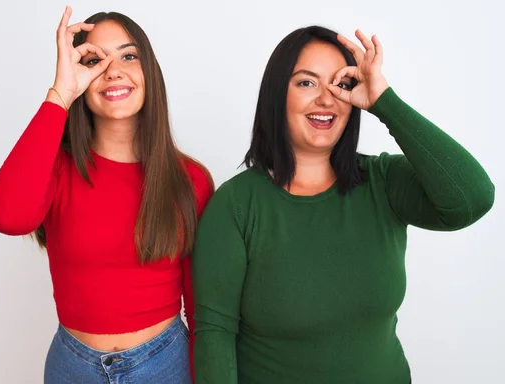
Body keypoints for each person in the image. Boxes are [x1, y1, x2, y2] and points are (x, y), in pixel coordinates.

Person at [191, 25, 494, 383]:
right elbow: (214, 336)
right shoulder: (236, 205)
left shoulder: (382, 182)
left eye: (341, 84)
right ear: (276, 95)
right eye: (306, 83)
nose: (326, 99)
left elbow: (472, 199)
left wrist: (385, 102)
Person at [0, 6, 213, 384]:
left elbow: (202, 306)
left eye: (128, 55)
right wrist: (60, 93)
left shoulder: (190, 180)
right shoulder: (56, 169)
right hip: (72, 367)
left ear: (149, 72)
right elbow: (6, 215)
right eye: (94, 60)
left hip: (165, 365)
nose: (113, 71)